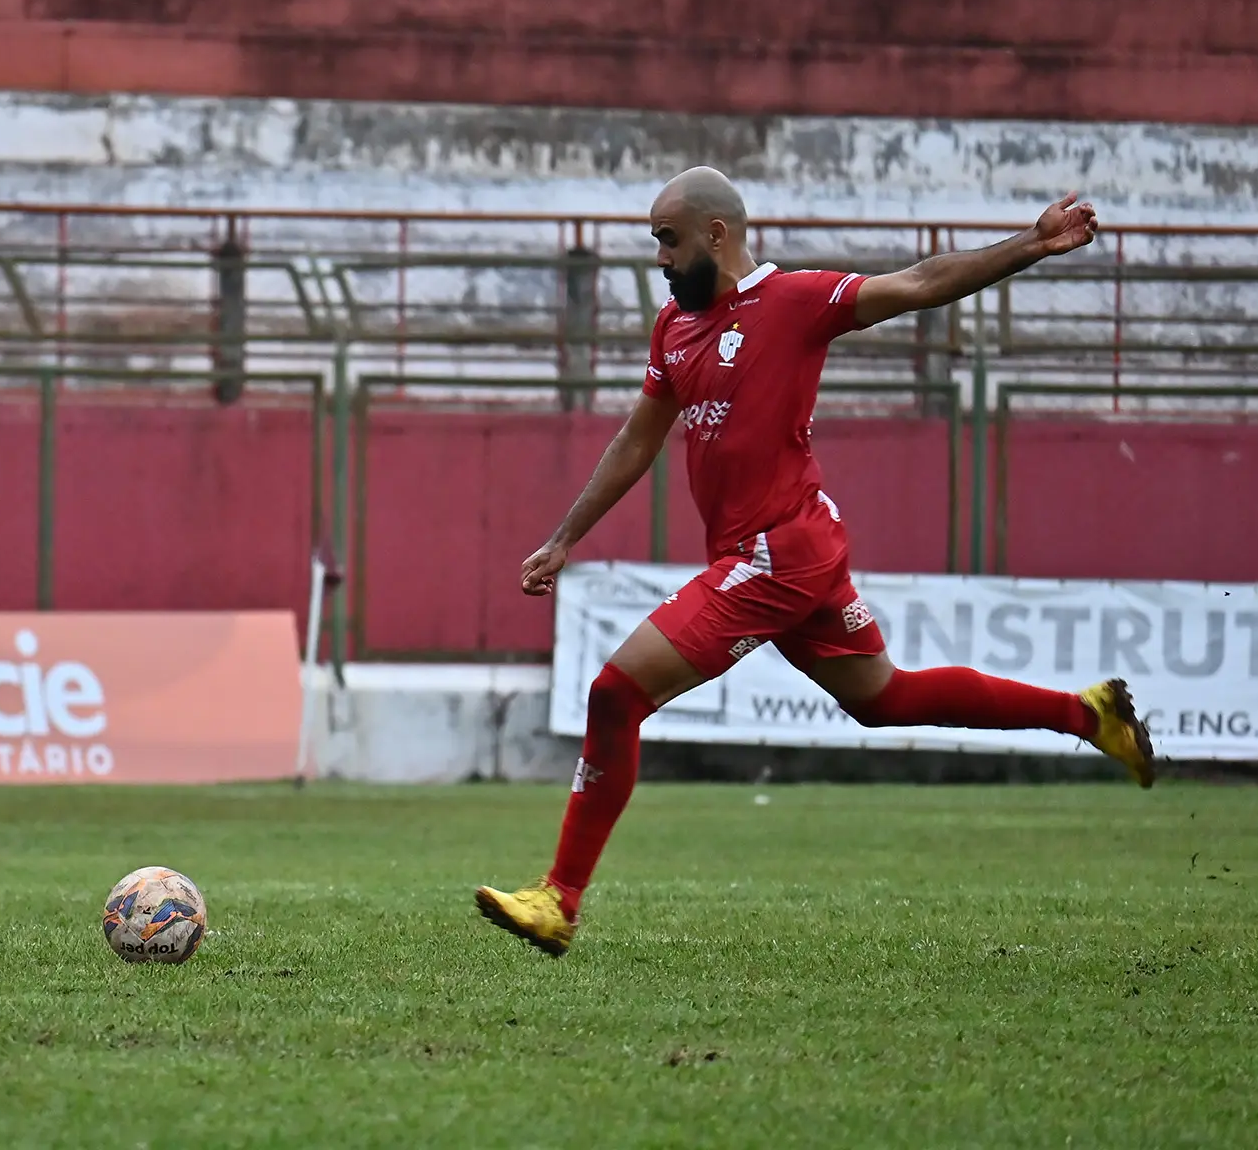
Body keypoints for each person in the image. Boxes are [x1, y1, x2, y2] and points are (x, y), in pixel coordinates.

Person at [475, 168, 1155, 957]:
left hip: (777, 552)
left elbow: (921, 282)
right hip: (785, 550)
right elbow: (638, 437)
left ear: (715, 234)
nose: (658, 256)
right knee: (883, 698)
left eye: (667, 238)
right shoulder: (676, 327)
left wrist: (1031, 247)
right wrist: (565, 537)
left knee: (615, 694)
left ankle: (558, 899)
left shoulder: (794, 301)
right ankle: (1089, 714)